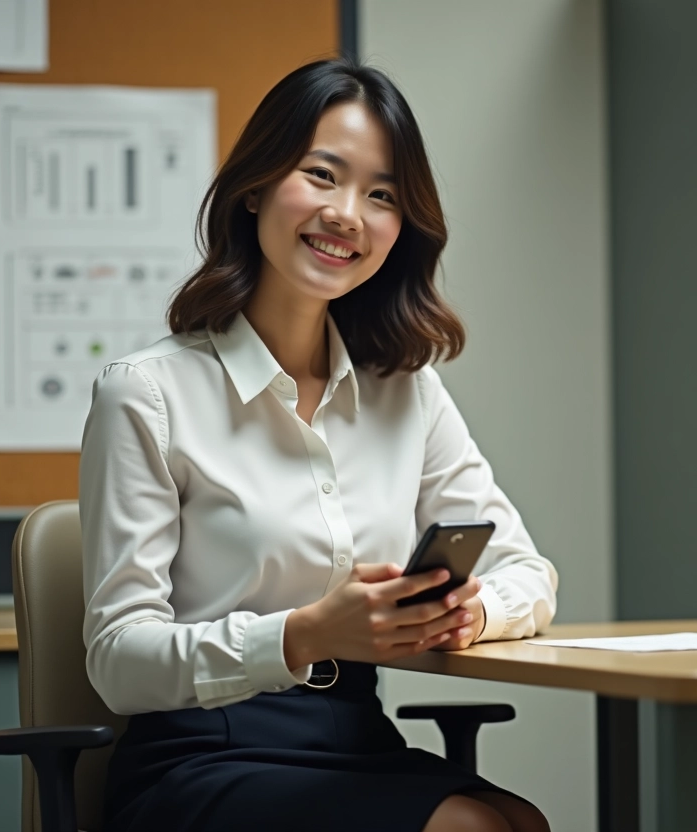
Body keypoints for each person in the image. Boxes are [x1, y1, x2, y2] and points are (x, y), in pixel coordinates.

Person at [78, 58, 558, 832]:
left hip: (357, 737)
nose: (347, 215)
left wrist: (468, 614)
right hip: (201, 756)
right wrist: (302, 634)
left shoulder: (407, 392)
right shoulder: (147, 394)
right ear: (256, 187)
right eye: (322, 176)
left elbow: (529, 574)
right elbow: (118, 659)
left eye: (381, 195)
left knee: (521, 822)